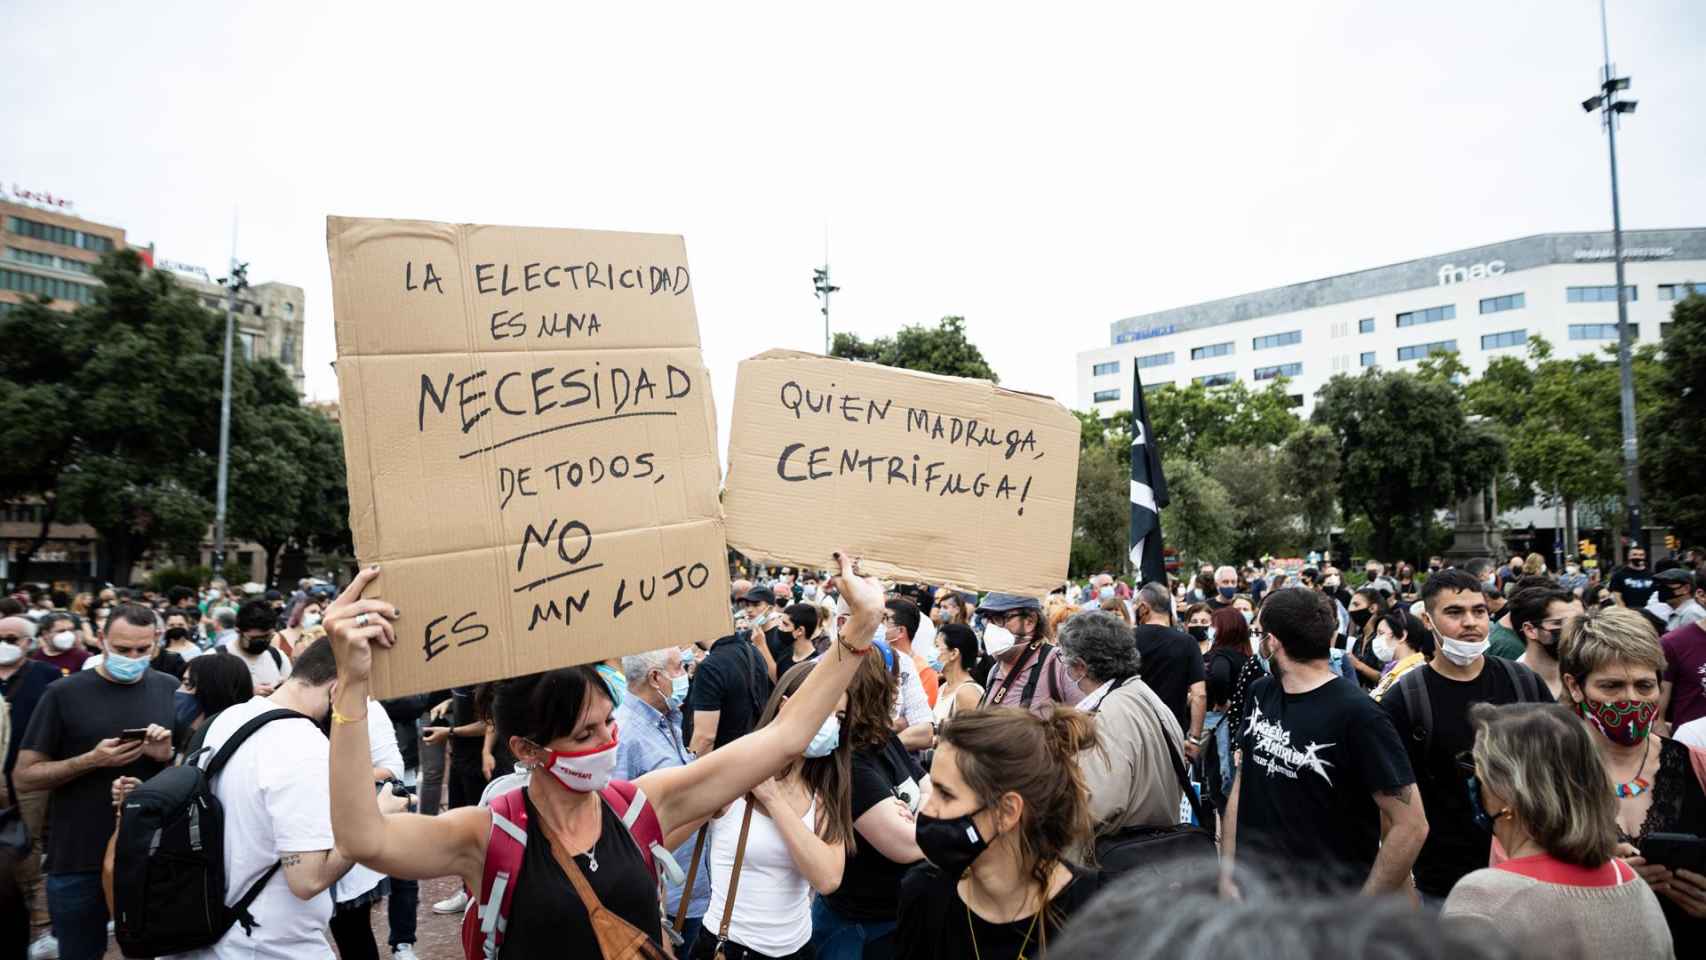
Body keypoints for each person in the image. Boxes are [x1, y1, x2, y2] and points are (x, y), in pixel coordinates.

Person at [326, 554, 885, 959]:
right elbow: (363, 839)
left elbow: (786, 737)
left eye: (608, 722)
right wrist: (351, 686)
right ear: (527, 749)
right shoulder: (489, 835)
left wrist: (859, 629)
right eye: (584, 733)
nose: (606, 743)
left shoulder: (638, 808)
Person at [1222, 587, 1425, 894]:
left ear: (1273, 641)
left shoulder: (1359, 714)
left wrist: (1360, 910)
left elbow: (1411, 825)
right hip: (1256, 898)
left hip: (1325, 912)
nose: (1257, 641)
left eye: (1258, 633)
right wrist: (1227, 876)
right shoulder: (1260, 692)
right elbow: (1243, 782)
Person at [13, 603, 179, 960]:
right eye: (122, 650)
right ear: (101, 640)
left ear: (156, 642)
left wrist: (165, 757)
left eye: (142, 649)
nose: (132, 658)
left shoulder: (167, 687)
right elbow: (25, 776)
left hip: (146, 856)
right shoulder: (64, 693)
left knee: (145, 951)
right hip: (77, 858)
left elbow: (187, 775)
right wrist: (91, 760)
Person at [1441, 703, 1672, 957]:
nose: (1475, 785)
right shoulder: (1633, 886)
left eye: (1477, 771)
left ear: (1506, 792)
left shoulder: (1485, 898)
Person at [1379, 568, 1551, 905]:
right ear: (1428, 621)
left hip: (1529, 878)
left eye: (1479, 611)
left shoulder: (1524, 683)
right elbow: (1391, 810)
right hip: (1443, 887)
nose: (1470, 622)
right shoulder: (1406, 699)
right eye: (1454, 612)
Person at [896, 707, 1101, 960]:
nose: (927, 809)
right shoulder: (925, 895)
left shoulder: (1099, 912)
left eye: (946, 794)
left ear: (1007, 812)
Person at [1559, 607, 1706, 941]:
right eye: (1611, 686)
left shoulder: (1697, 766)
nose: (1631, 700)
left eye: (1644, 686)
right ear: (1575, 686)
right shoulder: (1547, 776)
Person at [695, 662, 851, 960]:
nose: (831, 724)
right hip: (730, 948)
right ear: (786, 706)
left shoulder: (825, 789)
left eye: (839, 717)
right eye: (823, 710)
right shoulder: (736, 772)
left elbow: (828, 878)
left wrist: (774, 800)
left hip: (799, 948)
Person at [812, 650, 927, 960]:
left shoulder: (882, 737)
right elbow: (905, 845)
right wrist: (925, 820)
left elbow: (927, 784)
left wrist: (916, 815)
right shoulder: (849, 760)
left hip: (893, 919)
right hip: (855, 927)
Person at [1056, 610, 1184, 842]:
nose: (1064, 668)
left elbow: (1098, 805)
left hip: (1121, 857)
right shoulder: (1144, 694)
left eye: (1064, 659)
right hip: (1154, 848)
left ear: (1081, 666)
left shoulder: (1109, 713)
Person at [611, 648, 708, 952]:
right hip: (663, 901)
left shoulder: (668, 718)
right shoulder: (623, 734)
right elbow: (619, 830)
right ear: (655, 677)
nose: (686, 675)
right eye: (679, 668)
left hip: (690, 889)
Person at [1, 615, 60, 943]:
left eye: (13, 638)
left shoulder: (47, 676)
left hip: (28, 773)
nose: (6, 644)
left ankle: (34, 906)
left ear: (29, 642)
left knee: (29, 837)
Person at [976, 594, 1081, 716]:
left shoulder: (1058, 663)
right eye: (987, 619)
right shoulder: (995, 671)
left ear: (1030, 621)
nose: (991, 627)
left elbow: (1085, 722)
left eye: (999, 618)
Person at [686, 618, 776, 758]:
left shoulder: (710, 667)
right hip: (754, 755)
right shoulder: (752, 651)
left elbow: (705, 737)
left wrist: (689, 773)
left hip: (724, 763)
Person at [1131, 584, 1205, 754]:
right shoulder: (1188, 643)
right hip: (1173, 733)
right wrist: (1194, 739)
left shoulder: (1127, 638)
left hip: (1133, 731)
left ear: (1144, 607)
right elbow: (1199, 694)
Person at [1199, 606, 1250, 800]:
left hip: (1219, 720)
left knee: (1220, 777)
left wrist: (1221, 701)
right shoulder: (1246, 657)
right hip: (1239, 722)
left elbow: (1220, 676)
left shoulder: (1220, 656)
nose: (1208, 629)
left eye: (1212, 625)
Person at [1509, 583, 1581, 701]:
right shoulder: (1512, 684)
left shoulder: (1582, 675)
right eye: (1558, 623)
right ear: (1530, 630)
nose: (1571, 630)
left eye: (1574, 622)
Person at [1660, 584, 1706, 732]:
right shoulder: (1673, 643)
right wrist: (1671, 752)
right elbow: (1656, 716)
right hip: (1691, 749)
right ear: (1701, 595)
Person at [225, 600, 291, 697]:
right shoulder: (216, 658)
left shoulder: (278, 656)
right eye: (255, 638)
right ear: (238, 631)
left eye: (268, 637)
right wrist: (247, 695)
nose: (262, 642)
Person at [1368, 610, 1434, 703]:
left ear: (1402, 635)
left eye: (1381, 633)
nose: (1376, 640)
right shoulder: (1395, 670)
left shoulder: (1413, 673)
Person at [883, 598, 938, 708]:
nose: (877, 625)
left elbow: (921, 719)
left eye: (884, 620)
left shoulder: (924, 671)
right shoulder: (873, 658)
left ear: (901, 631)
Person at [931, 624, 983, 728]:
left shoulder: (968, 692)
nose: (932, 651)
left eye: (937, 646)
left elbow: (973, 737)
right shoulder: (943, 687)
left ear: (954, 653)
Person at [1345, 586, 1388, 688]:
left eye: (1356, 605)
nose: (1350, 609)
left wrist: (1357, 664)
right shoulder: (1359, 639)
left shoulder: (1384, 638)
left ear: (1372, 608)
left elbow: (1386, 677)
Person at [774, 603, 821, 680]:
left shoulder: (813, 665)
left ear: (800, 631)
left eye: (785, 624)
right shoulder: (785, 654)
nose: (780, 628)